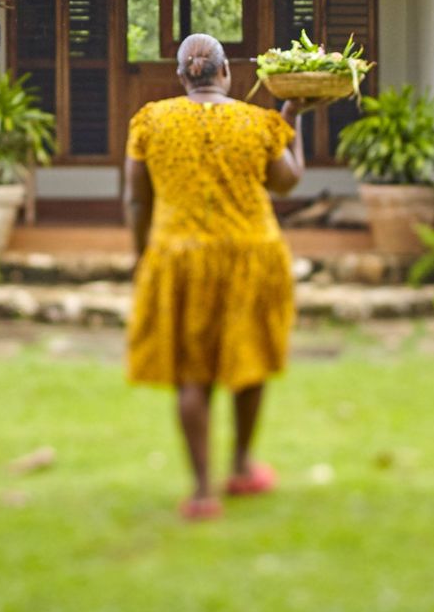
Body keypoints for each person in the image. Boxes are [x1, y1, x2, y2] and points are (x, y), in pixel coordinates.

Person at [123, 31, 315, 521]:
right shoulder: (258, 123)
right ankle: (243, 467)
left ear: (182, 76)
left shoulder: (151, 121)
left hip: (179, 255)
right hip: (251, 254)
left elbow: (135, 200)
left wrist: (143, 253)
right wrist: (290, 117)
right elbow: (288, 182)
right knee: (248, 360)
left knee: (193, 373)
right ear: (226, 73)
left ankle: (203, 493)